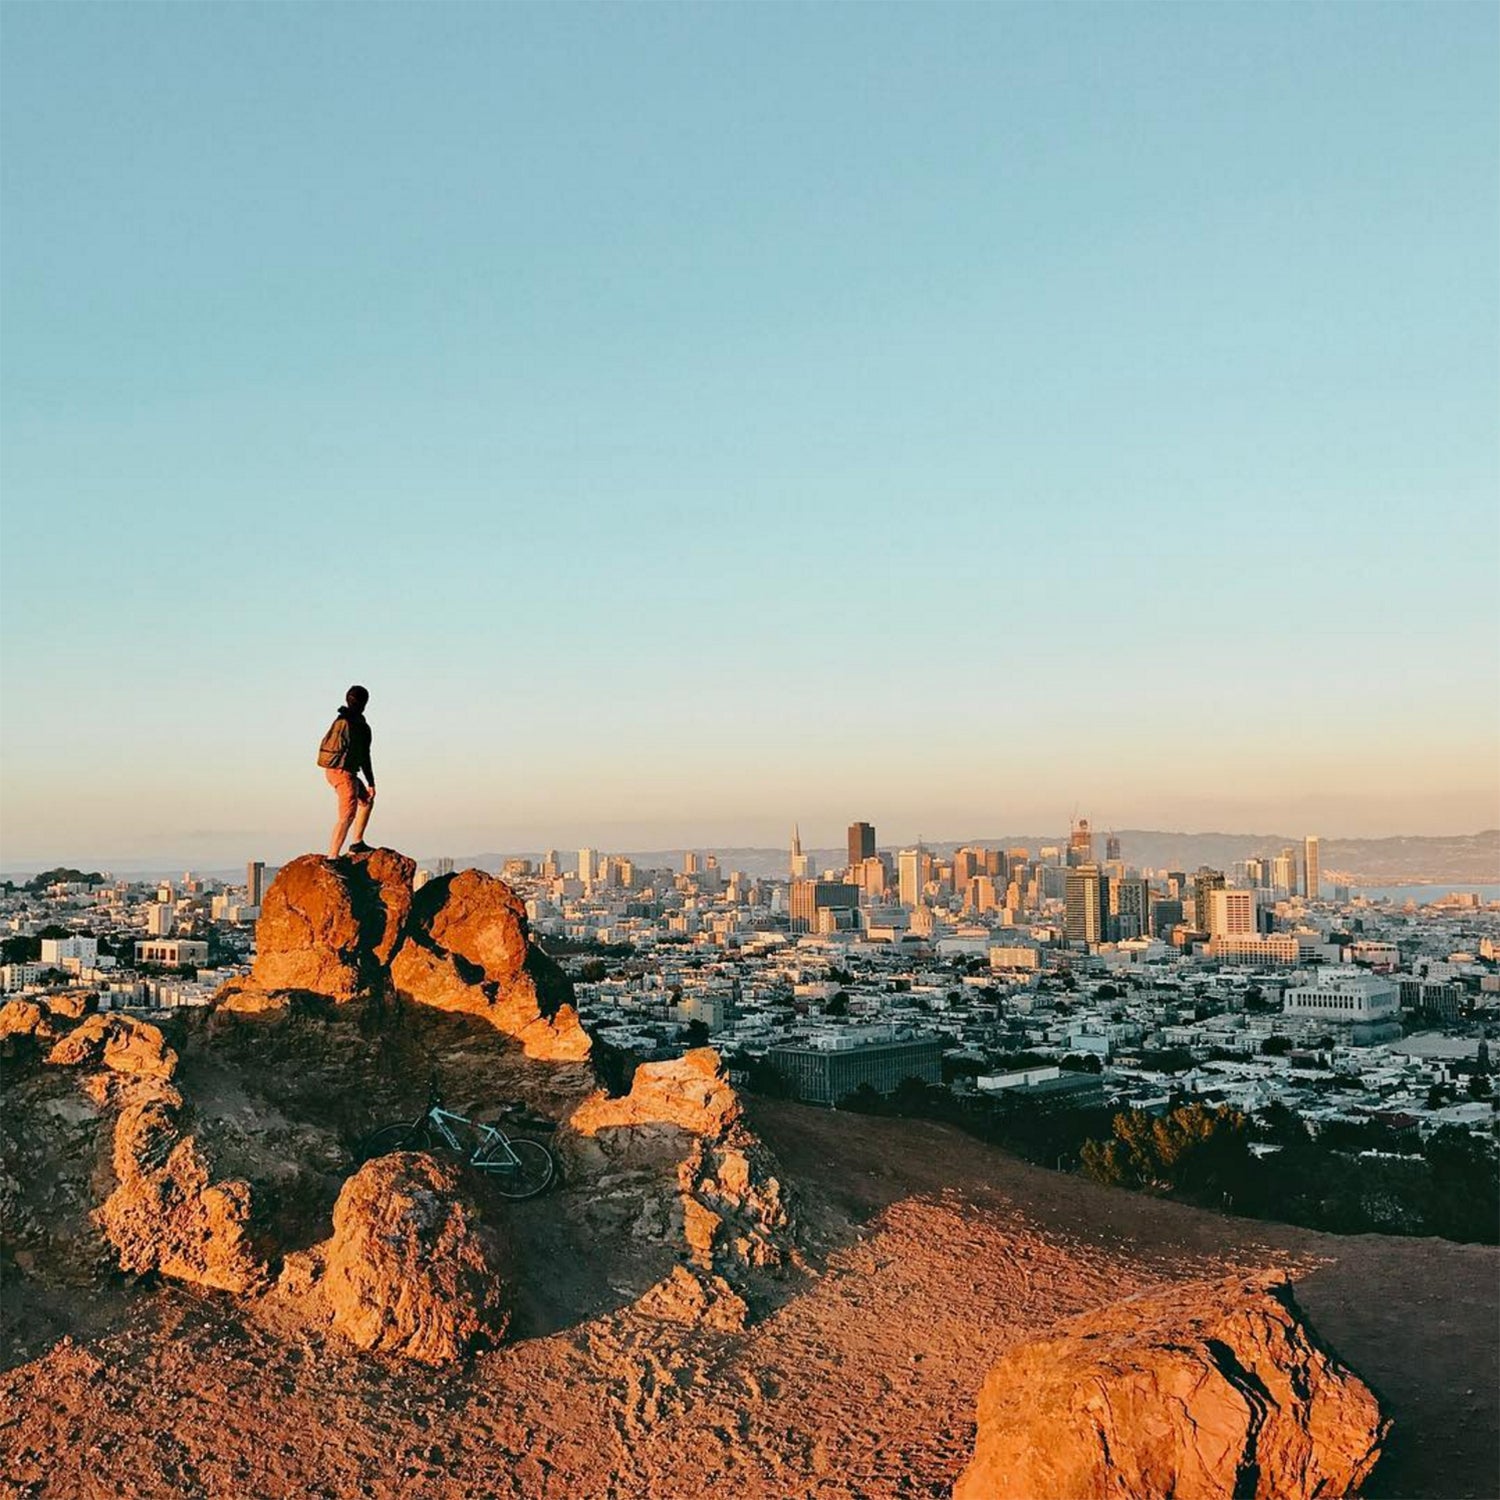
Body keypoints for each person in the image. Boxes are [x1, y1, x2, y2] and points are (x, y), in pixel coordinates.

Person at [318, 685, 376, 857]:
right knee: (347, 815)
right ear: (365, 703)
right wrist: (371, 781)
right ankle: (332, 857)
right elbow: (365, 756)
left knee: (366, 800)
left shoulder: (340, 720)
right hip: (344, 773)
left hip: (333, 770)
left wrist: (368, 784)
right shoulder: (357, 725)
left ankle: (357, 843)